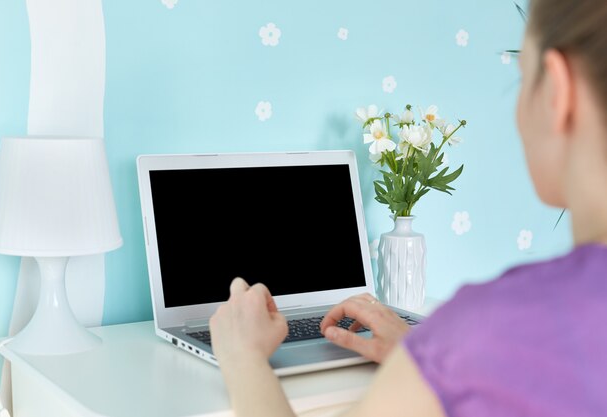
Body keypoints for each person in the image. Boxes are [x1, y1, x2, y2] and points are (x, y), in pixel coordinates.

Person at [208, 0, 607, 415]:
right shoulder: (472, 349)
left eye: (523, 78)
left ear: (559, 93)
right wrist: (422, 355)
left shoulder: (491, 332)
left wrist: (243, 358)